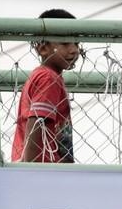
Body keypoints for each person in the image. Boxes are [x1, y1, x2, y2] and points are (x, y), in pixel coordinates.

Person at [10, 8, 81, 163]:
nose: (74, 50)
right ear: (43, 48)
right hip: (41, 167)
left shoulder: (48, 76)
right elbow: (38, 123)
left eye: (76, 43)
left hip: (43, 167)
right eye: (65, 44)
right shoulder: (48, 78)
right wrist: (31, 168)